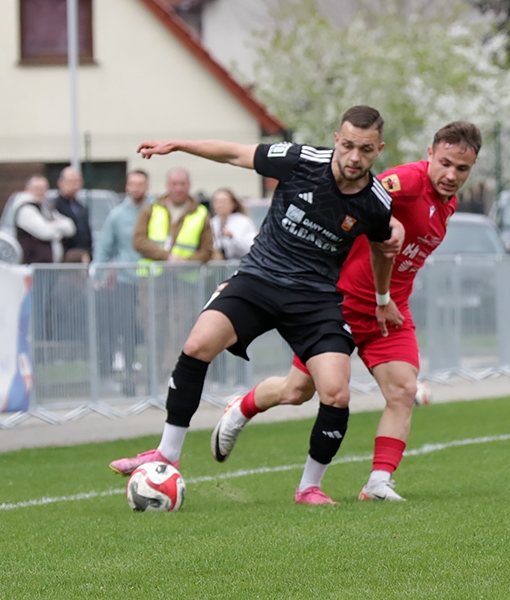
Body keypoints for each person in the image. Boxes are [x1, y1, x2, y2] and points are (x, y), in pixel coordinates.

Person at [110, 106, 402, 507]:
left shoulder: (375, 201)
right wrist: (178, 145)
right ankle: (166, 453)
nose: (354, 157)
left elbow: (384, 248)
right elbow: (233, 153)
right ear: (337, 138)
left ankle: (308, 488)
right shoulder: (300, 161)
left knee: (336, 393)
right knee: (197, 345)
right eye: (348, 145)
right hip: (260, 280)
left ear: (378, 149)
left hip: (315, 299)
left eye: (366, 150)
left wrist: (383, 299)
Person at [209, 122, 482, 502]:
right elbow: (360, 200)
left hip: (390, 312)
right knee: (296, 391)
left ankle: (378, 483)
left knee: (403, 389)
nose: (452, 175)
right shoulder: (402, 182)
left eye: (462, 169)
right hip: (342, 304)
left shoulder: (447, 202)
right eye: (446, 163)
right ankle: (243, 405)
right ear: (430, 154)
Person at [132, 167, 214, 378]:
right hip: (154, 281)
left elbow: (207, 250)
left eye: (182, 184)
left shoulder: (200, 213)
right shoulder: (152, 209)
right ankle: (155, 376)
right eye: (174, 184)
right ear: (167, 186)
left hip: (184, 283)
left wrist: (186, 262)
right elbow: (139, 240)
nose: (178, 188)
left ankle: (175, 376)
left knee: (180, 329)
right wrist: (166, 257)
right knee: (153, 329)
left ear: (189, 185)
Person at [92, 169, 151, 392]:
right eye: (132, 184)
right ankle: (128, 374)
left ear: (147, 186)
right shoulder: (117, 215)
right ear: (127, 187)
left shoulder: (156, 210)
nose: (136, 188)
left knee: (153, 329)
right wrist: (97, 274)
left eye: (141, 184)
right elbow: (105, 247)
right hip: (127, 281)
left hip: (152, 280)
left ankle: (157, 375)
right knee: (127, 330)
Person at [14, 175, 76, 264]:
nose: (40, 192)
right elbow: (46, 233)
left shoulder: (46, 207)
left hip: (50, 266)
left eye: (43, 189)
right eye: (36, 189)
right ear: (27, 189)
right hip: (34, 267)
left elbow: (70, 227)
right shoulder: (26, 209)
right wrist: (59, 231)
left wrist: (52, 226)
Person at [210, 188, 258, 260]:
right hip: (218, 268)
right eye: (217, 201)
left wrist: (232, 237)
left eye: (223, 201)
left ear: (233, 204)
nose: (220, 204)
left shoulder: (244, 222)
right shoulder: (212, 223)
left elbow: (251, 248)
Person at [54, 166, 92, 255]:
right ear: (60, 182)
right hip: (66, 256)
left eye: (77, 181)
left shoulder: (81, 208)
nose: (74, 185)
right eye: (70, 181)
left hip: (83, 255)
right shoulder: (55, 206)